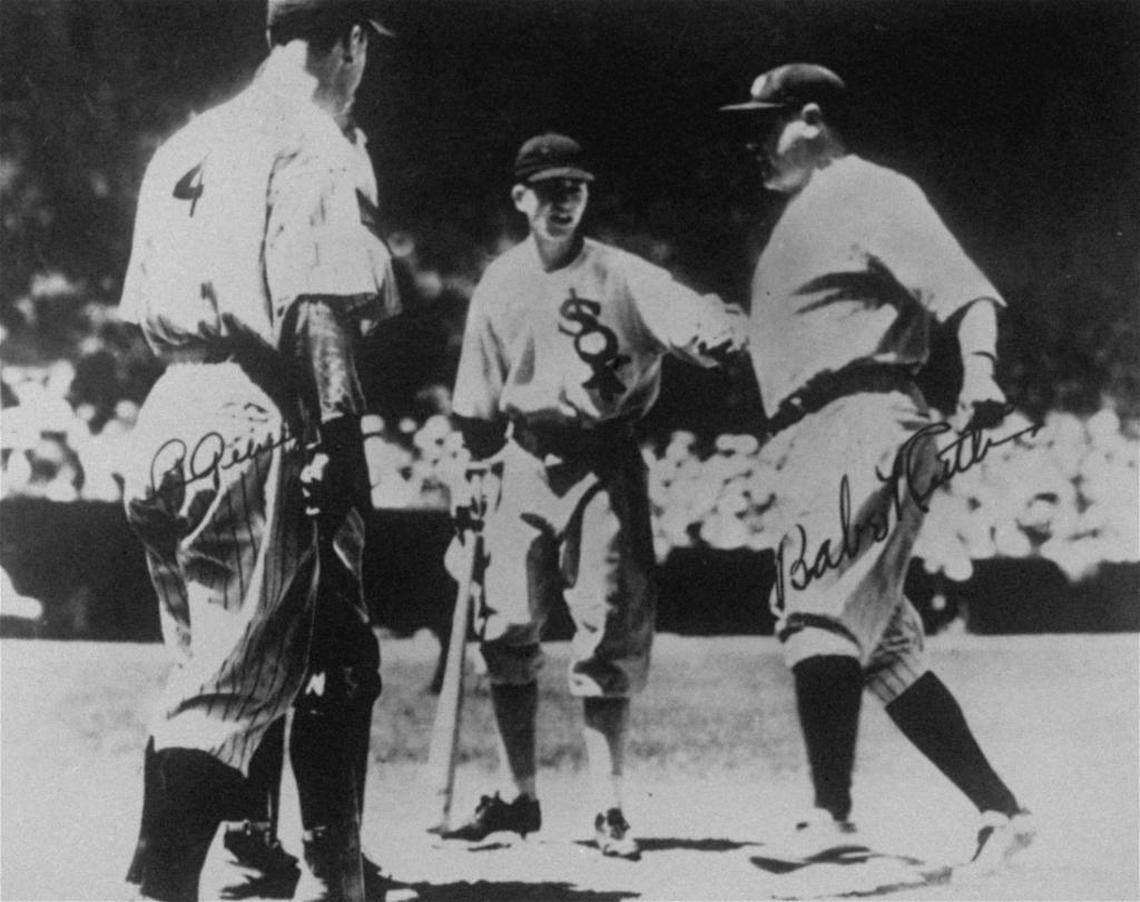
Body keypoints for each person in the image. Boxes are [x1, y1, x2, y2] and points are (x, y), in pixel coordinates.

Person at [719, 63, 1036, 872]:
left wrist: (981, 371)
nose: (751, 143)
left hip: (863, 414)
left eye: (764, 125)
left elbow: (967, 291)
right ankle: (1003, 813)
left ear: (812, 118)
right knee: (885, 648)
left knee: (815, 609)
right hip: (817, 430)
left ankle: (832, 818)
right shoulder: (803, 215)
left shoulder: (868, 191)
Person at [118, 1, 400, 898]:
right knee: (230, 693)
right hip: (257, 405)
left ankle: (319, 871)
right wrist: (340, 438)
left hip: (169, 406)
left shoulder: (187, 141)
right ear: (351, 41)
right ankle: (161, 888)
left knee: (211, 670)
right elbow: (312, 301)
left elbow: (141, 302)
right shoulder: (313, 139)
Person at [439, 133, 748, 859]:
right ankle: (518, 797)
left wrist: (721, 331)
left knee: (606, 626)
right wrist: (471, 482)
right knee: (506, 625)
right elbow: (475, 404)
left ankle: (608, 807)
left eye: (575, 188)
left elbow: (698, 326)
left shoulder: (623, 274)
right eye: (550, 190)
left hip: (603, 457)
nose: (564, 202)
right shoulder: (499, 282)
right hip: (520, 458)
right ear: (521, 197)